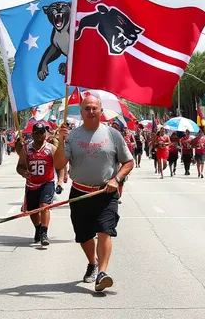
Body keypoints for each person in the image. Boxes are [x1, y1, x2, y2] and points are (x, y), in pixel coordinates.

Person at [54, 95, 134, 292]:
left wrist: (117, 179)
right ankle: (93, 262)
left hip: (106, 193)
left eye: (94, 108)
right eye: (87, 108)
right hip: (80, 193)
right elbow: (58, 164)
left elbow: (128, 162)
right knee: (83, 236)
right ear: (81, 112)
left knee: (105, 231)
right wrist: (61, 140)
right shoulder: (71, 136)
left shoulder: (113, 134)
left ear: (101, 111)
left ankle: (102, 273)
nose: (91, 111)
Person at [17, 122, 56, 246]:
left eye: (41, 132)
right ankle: (38, 228)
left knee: (44, 206)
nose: (39, 135)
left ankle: (44, 232)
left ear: (45, 134)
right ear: (32, 134)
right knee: (32, 210)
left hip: (47, 182)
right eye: (36, 133)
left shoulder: (51, 148)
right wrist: (24, 172)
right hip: (31, 184)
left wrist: (61, 180)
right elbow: (19, 167)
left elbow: (60, 166)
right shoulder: (26, 148)